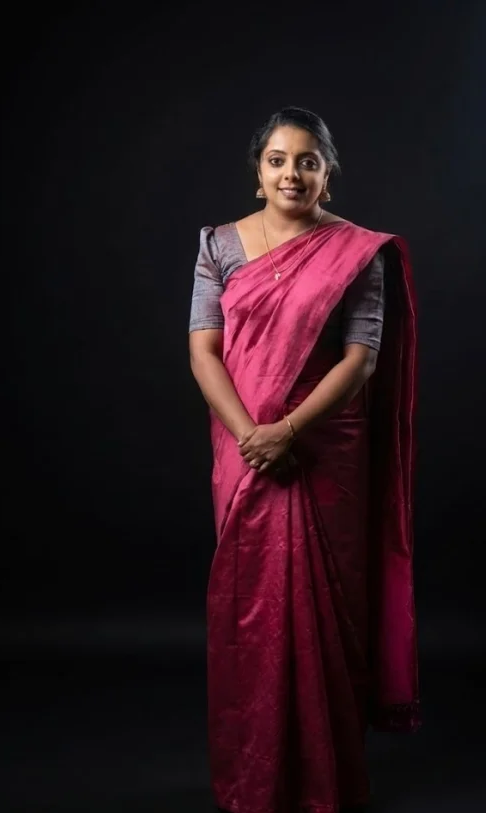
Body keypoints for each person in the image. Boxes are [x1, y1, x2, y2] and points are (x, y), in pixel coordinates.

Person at [189, 106, 419, 813]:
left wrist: (287, 428)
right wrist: (252, 435)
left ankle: (326, 778)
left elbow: (362, 358)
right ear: (258, 172)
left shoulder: (358, 250)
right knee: (251, 610)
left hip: (324, 451)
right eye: (278, 160)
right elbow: (203, 349)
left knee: (327, 611)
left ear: (327, 173)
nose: (293, 172)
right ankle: (254, 774)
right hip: (245, 451)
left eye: (308, 160)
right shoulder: (218, 244)